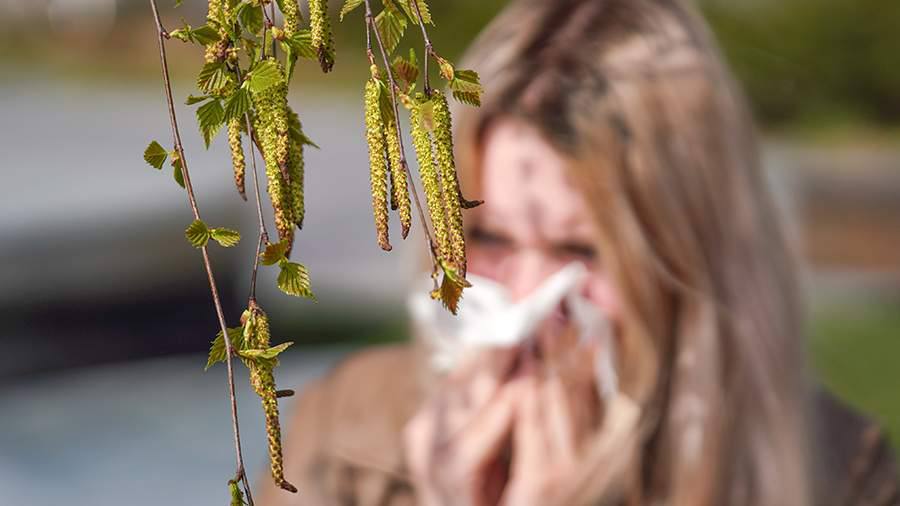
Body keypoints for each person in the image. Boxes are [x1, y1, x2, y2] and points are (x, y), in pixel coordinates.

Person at [258, 0, 898, 504]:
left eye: (581, 250)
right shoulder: (342, 439)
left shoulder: (843, 475)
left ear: (689, 257)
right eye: (490, 237)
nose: (534, 297)